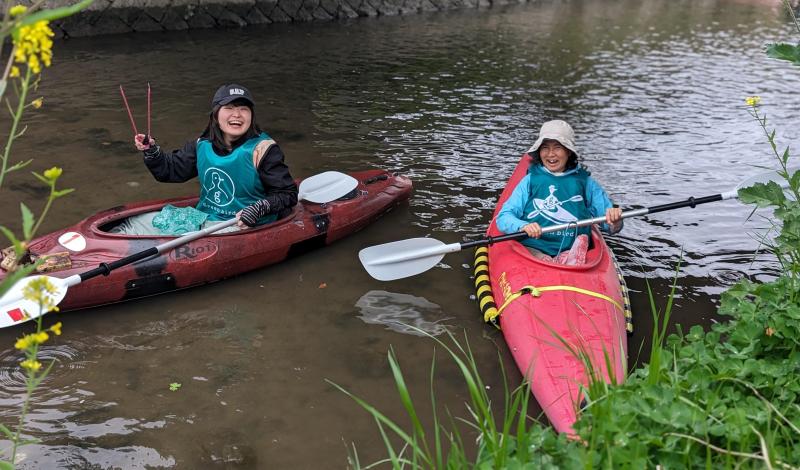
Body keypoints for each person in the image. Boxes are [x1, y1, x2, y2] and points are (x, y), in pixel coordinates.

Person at [116, 84, 298, 235]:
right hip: (205, 217)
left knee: (180, 241)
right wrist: (152, 152)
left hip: (243, 225)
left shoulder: (263, 149)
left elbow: (288, 194)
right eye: (229, 108)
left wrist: (259, 208)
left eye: (244, 109)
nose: (237, 114)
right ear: (216, 115)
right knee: (133, 223)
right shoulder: (202, 145)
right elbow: (171, 170)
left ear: (251, 115)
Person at [495, 120, 622, 265]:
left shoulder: (586, 182)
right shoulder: (530, 180)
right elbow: (504, 217)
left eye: (557, 148)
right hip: (533, 246)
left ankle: (569, 257)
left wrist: (615, 220)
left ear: (568, 151)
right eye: (545, 148)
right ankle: (551, 260)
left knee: (577, 247)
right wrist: (522, 226)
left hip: (571, 246)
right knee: (538, 256)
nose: (550, 154)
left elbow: (610, 227)